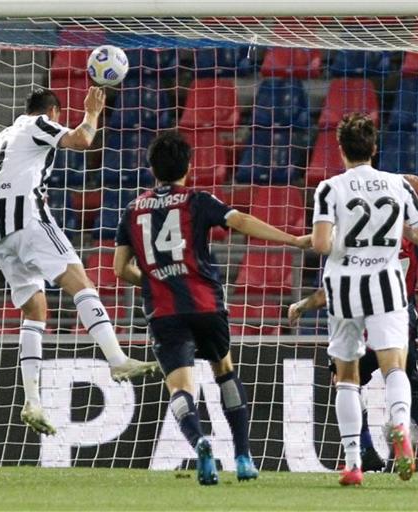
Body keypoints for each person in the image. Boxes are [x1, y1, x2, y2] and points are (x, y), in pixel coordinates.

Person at [113, 131, 311, 486]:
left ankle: (200, 441)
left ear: (151, 169)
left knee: (180, 389)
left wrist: (155, 280)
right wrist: (292, 239)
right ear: (188, 167)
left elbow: (119, 268)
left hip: (164, 312)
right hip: (205, 304)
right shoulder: (197, 199)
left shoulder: (132, 209)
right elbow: (240, 221)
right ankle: (244, 457)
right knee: (223, 371)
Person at [0, 87, 158, 436]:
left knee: (35, 313)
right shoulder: (37, 123)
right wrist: (92, 113)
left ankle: (33, 401)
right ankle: (117, 361)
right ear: (53, 111)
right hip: (28, 220)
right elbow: (81, 140)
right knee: (81, 284)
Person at [289, 174, 418, 474]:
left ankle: (364, 451)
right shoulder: (409, 238)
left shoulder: (359, 241)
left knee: (347, 382)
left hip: (361, 314)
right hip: (399, 315)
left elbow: (329, 269)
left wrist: (303, 303)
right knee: (403, 380)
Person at [309, 113, 418, 486]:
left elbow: (319, 244)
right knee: (394, 366)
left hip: (344, 285)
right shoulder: (399, 185)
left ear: (340, 149)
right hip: (387, 282)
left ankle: (352, 464)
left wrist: (341, 241)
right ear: (374, 149)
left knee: (346, 376)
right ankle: (399, 425)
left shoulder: (329, 188)